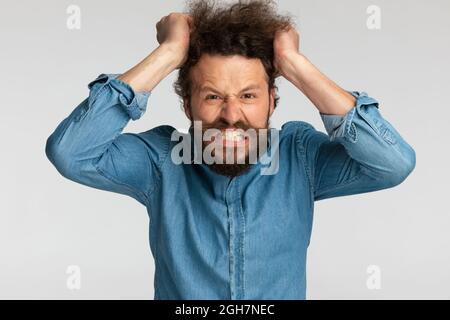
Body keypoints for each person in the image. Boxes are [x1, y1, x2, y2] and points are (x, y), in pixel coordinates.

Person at [45, 0, 415, 299]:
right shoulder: (160, 160)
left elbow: (393, 163)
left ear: (273, 101)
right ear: (187, 105)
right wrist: (170, 53)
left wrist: (295, 65)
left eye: (249, 96)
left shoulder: (301, 157)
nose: (231, 115)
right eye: (212, 96)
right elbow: (71, 152)